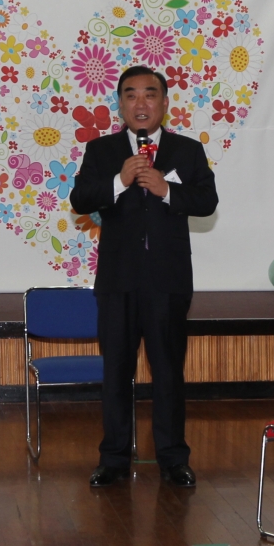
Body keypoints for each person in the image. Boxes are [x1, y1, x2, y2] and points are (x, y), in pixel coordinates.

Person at [69, 66, 218, 488]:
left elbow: (207, 200)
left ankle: (173, 458)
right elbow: (80, 198)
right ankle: (113, 458)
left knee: (168, 372)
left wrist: (166, 190)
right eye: (131, 95)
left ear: (164, 103)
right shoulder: (102, 151)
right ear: (120, 104)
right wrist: (121, 180)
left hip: (168, 283)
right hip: (117, 282)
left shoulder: (186, 151)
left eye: (150, 95)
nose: (140, 103)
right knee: (116, 371)